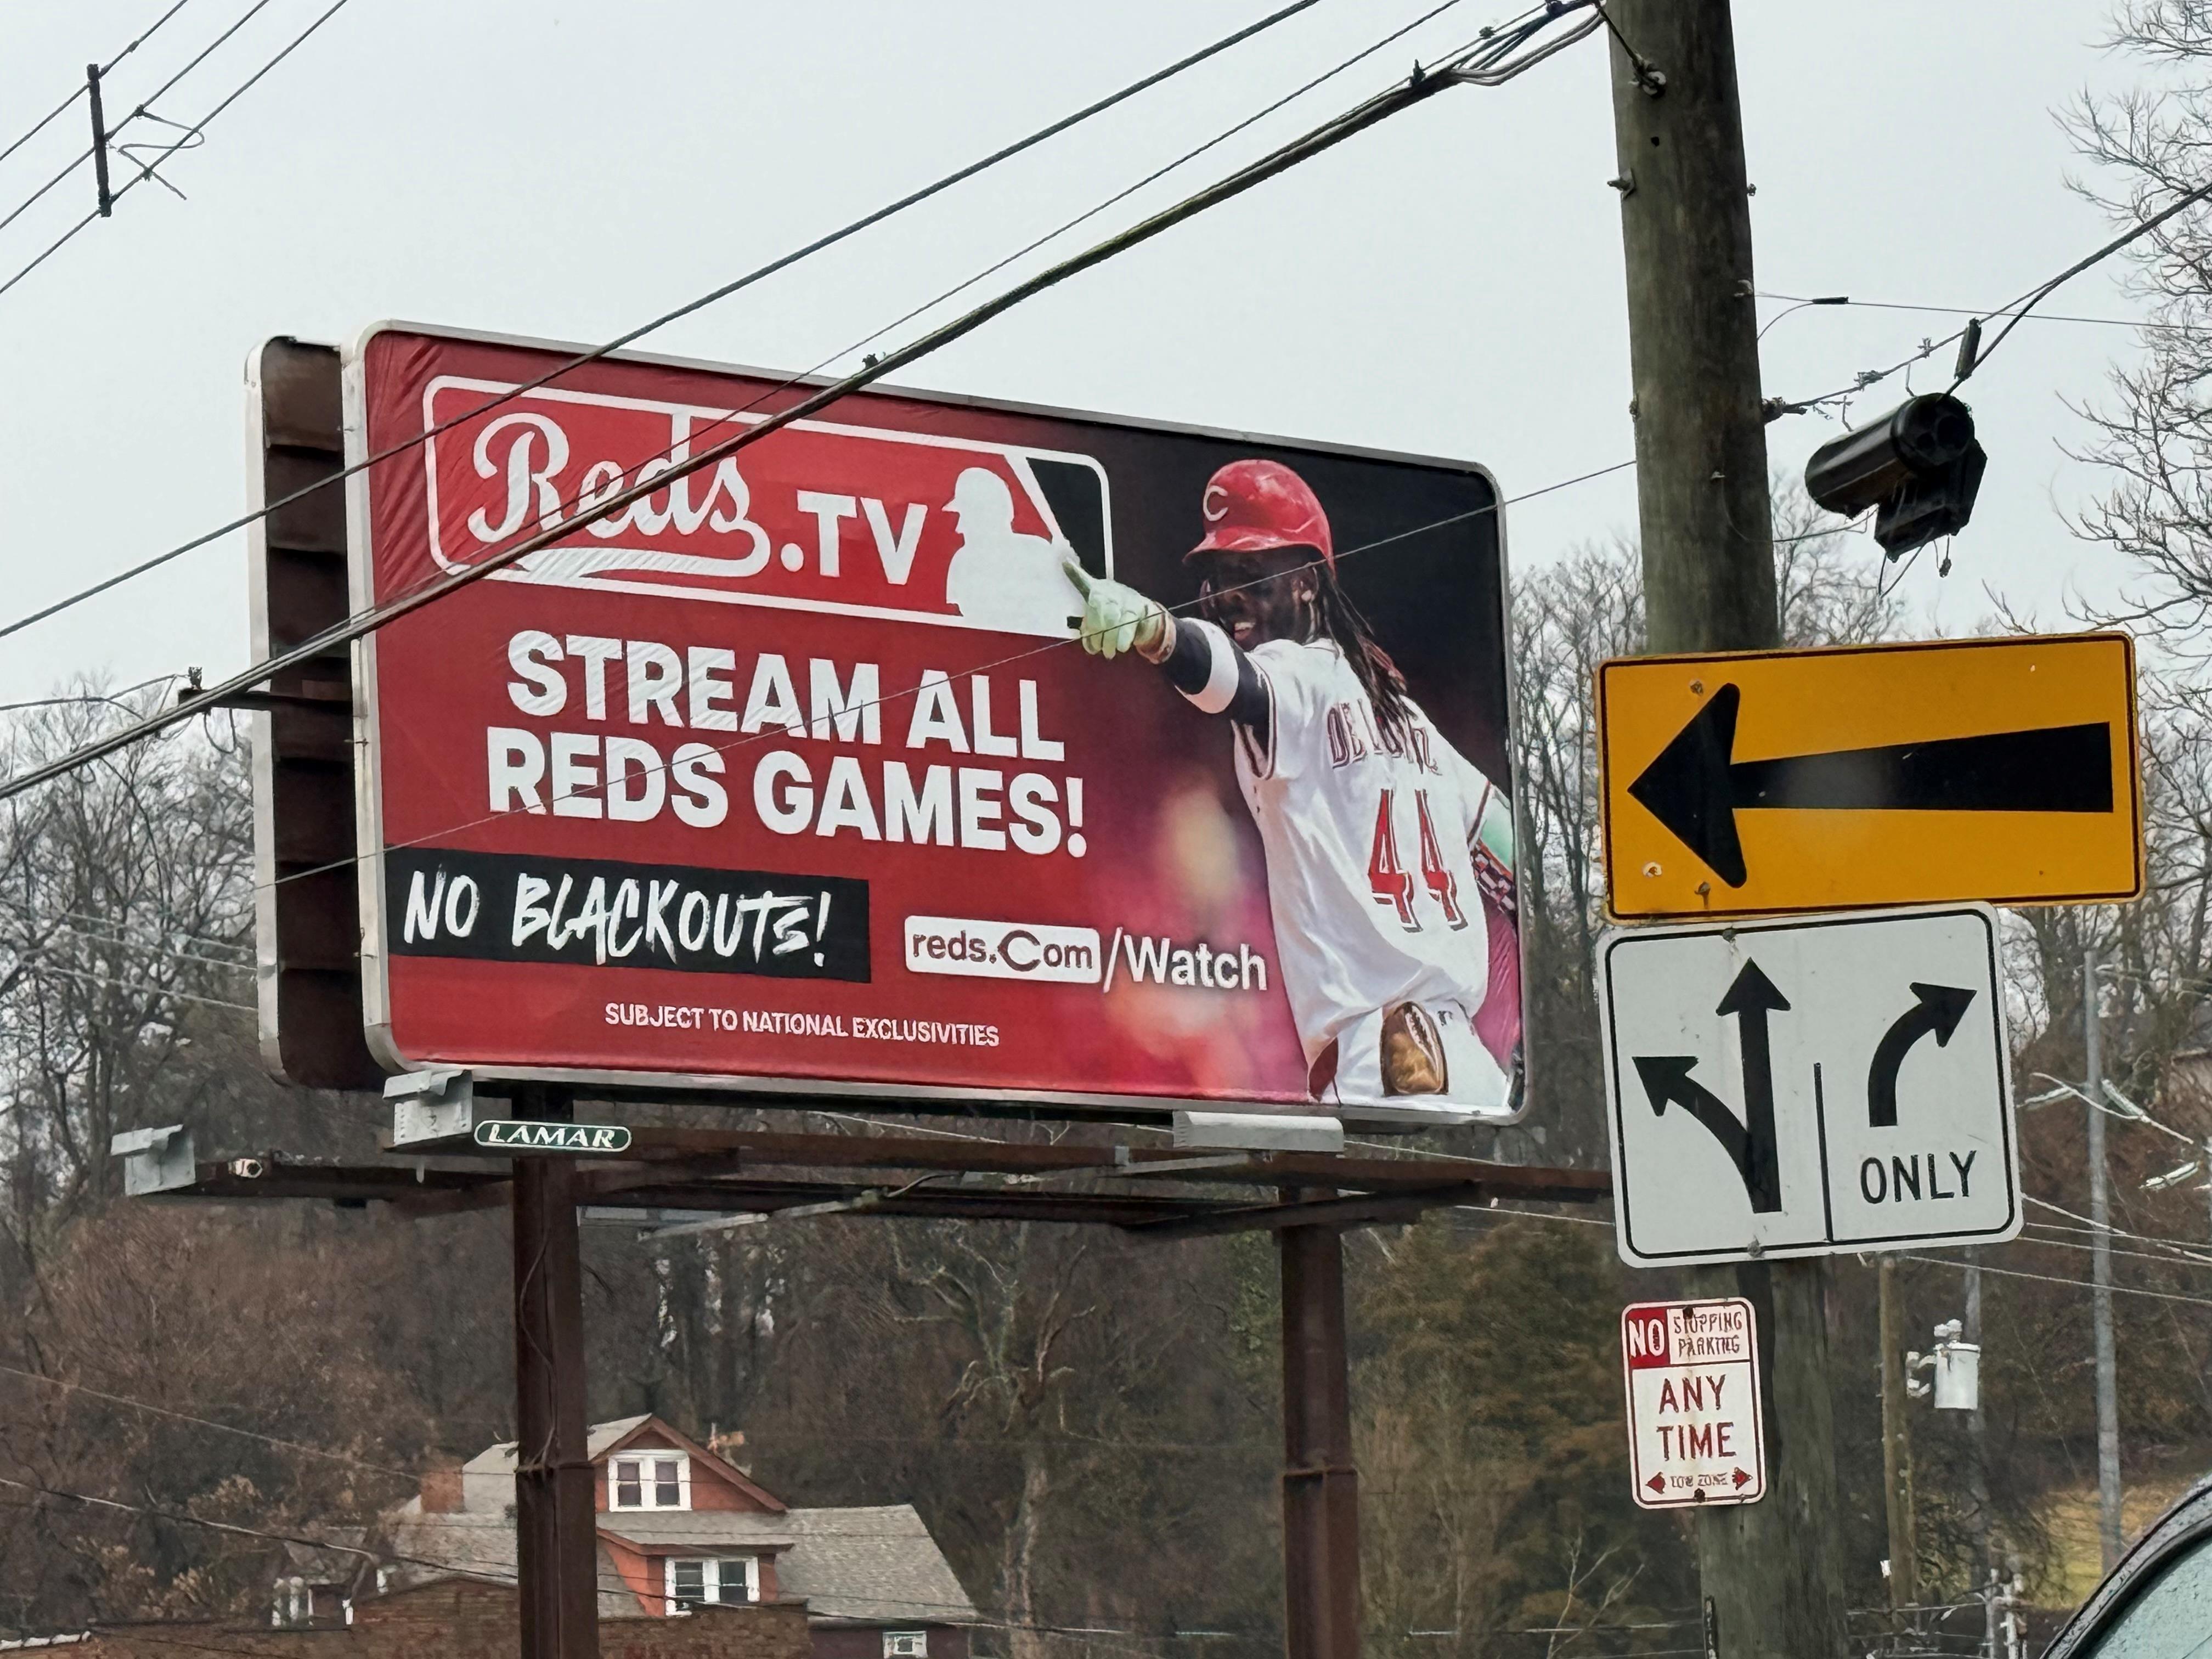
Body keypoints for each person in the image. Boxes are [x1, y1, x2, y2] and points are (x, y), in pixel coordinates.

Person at [1069, 458, 1520, 1115]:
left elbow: (1237, 683)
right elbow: (1508, 846)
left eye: (1250, 575)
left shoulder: (1300, 676)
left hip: (1381, 1063)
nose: (1226, 596)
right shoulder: (1409, 718)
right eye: (1218, 579)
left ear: (1307, 583)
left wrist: (1157, 632)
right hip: (1473, 1074)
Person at [943, 467, 1080, 635]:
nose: (960, 528)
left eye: (967, 515)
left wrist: (1072, 574)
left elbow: (1076, 609)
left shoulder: (1037, 553)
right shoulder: (963, 563)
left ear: (991, 515)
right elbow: (957, 623)